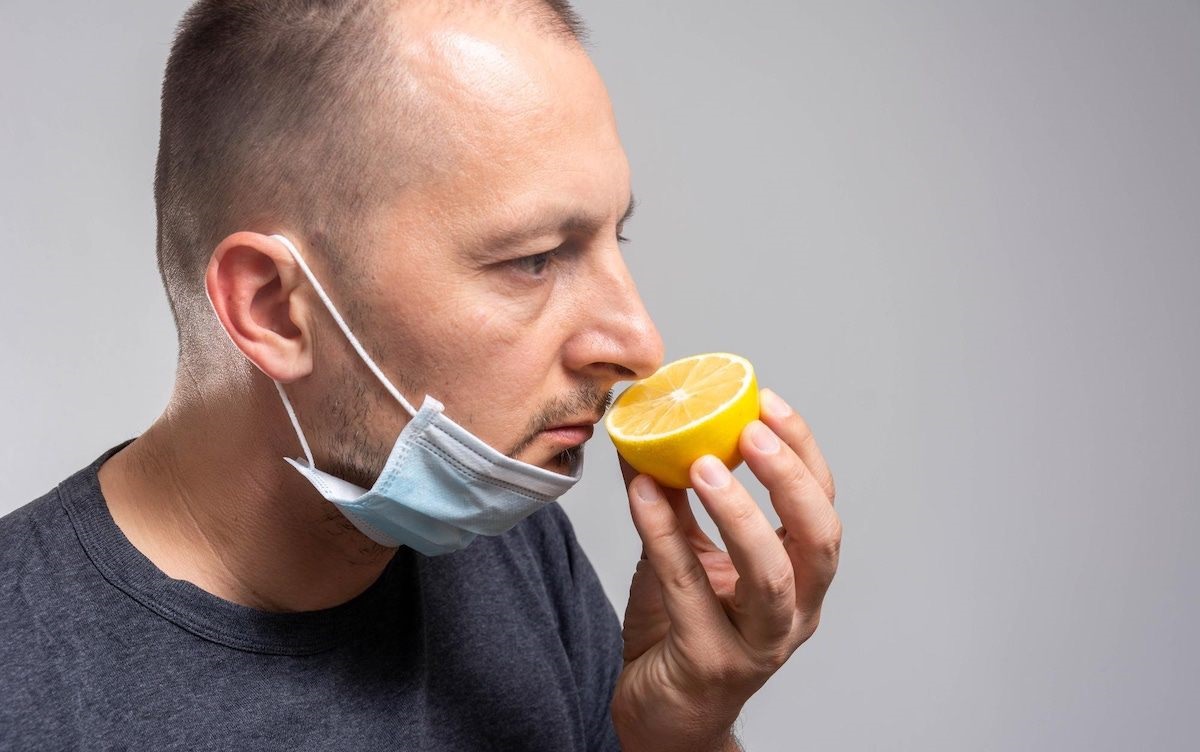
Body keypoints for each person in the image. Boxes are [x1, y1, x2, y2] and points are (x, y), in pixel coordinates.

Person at [0, 1, 841, 749]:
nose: (641, 344)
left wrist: (680, 736)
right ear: (275, 309)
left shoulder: (516, 553)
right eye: (535, 258)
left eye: (611, 237)